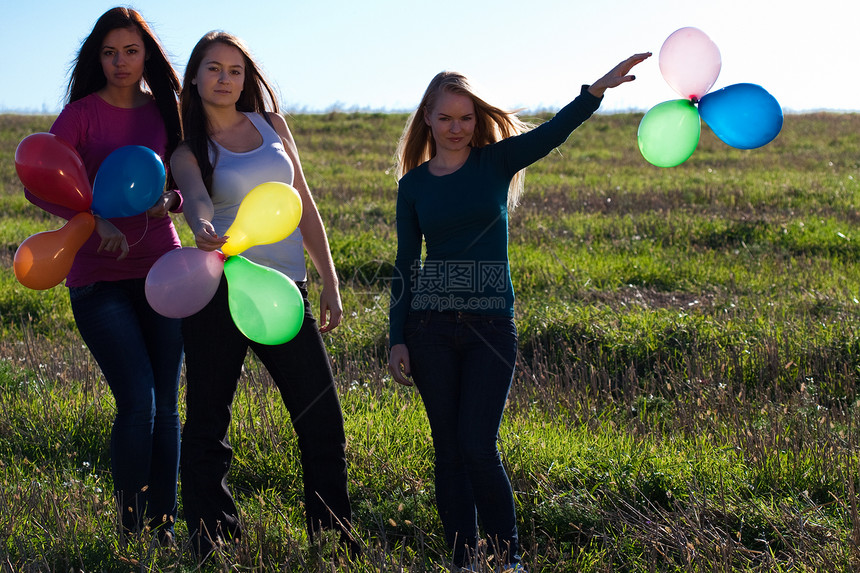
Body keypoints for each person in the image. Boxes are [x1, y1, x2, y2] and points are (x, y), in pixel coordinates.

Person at [387, 53, 651, 570]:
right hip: (430, 328)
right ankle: (463, 560)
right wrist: (398, 336)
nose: (457, 128)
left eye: (466, 118)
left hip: (491, 326)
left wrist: (594, 92)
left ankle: (508, 560)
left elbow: (554, 132)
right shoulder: (412, 187)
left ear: (477, 119)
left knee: (478, 445)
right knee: (448, 451)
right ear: (427, 119)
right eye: (445, 118)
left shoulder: (496, 162)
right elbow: (404, 264)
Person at [170, 31, 355, 559]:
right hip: (218, 291)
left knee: (320, 418)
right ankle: (213, 541)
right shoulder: (188, 149)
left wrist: (330, 279)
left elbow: (302, 202)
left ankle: (335, 542)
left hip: (284, 291)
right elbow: (198, 201)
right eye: (213, 69)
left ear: (246, 78)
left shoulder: (271, 125)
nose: (224, 78)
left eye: (234, 70)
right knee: (208, 420)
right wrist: (204, 227)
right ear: (195, 78)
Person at [23, 7, 184, 543]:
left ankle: (164, 524)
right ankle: (130, 528)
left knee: (167, 406)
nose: (120, 62)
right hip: (96, 277)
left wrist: (171, 199)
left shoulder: (166, 111)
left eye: (130, 51)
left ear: (146, 56)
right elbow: (39, 180)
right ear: (99, 57)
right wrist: (90, 220)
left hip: (164, 268)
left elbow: (181, 177)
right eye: (110, 52)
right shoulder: (81, 114)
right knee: (139, 401)